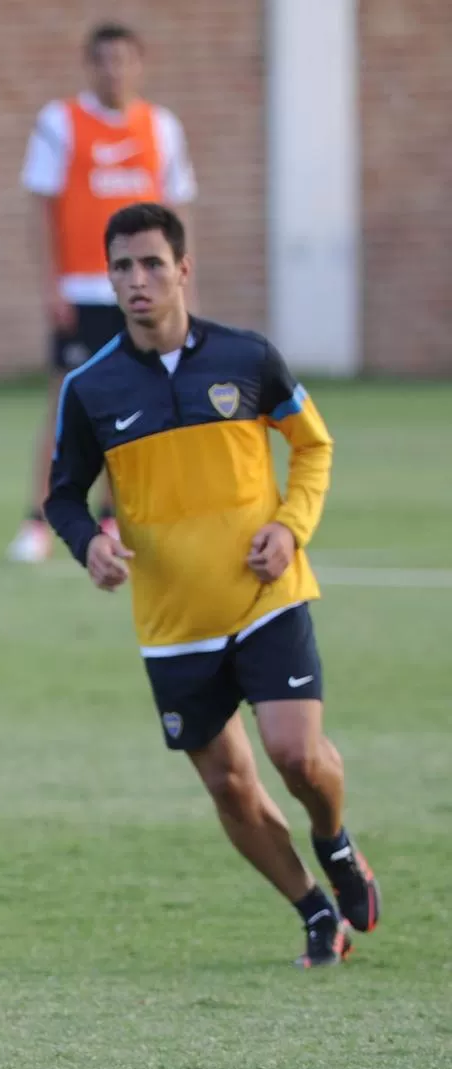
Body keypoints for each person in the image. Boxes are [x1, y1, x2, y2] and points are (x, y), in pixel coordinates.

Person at [44, 202, 380, 967]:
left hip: (267, 596)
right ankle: (314, 914)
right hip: (173, 624)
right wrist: (87, 546)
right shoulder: (90, 390)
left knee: (296, 756)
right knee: (231, 787)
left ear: (183, 269)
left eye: (152, 264)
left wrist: (290, 525)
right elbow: (62, 495)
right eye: (123, 267)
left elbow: (314, 447)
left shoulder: (247, 357)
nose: (137, 280)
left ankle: (334, 840)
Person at [7, 21, 197, 563]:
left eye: (124, 60)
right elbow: (41, 209)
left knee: (143, 404)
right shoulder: (59, 122)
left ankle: (118, 517)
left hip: (149, 292)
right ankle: (37, 520)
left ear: (140, 64)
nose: (115, 70)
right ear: (91, 65)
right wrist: (51, 284)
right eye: (104, 60)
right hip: (84, 289)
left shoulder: (162, 127)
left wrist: (185, 287)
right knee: (67, 403)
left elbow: (177, 214)